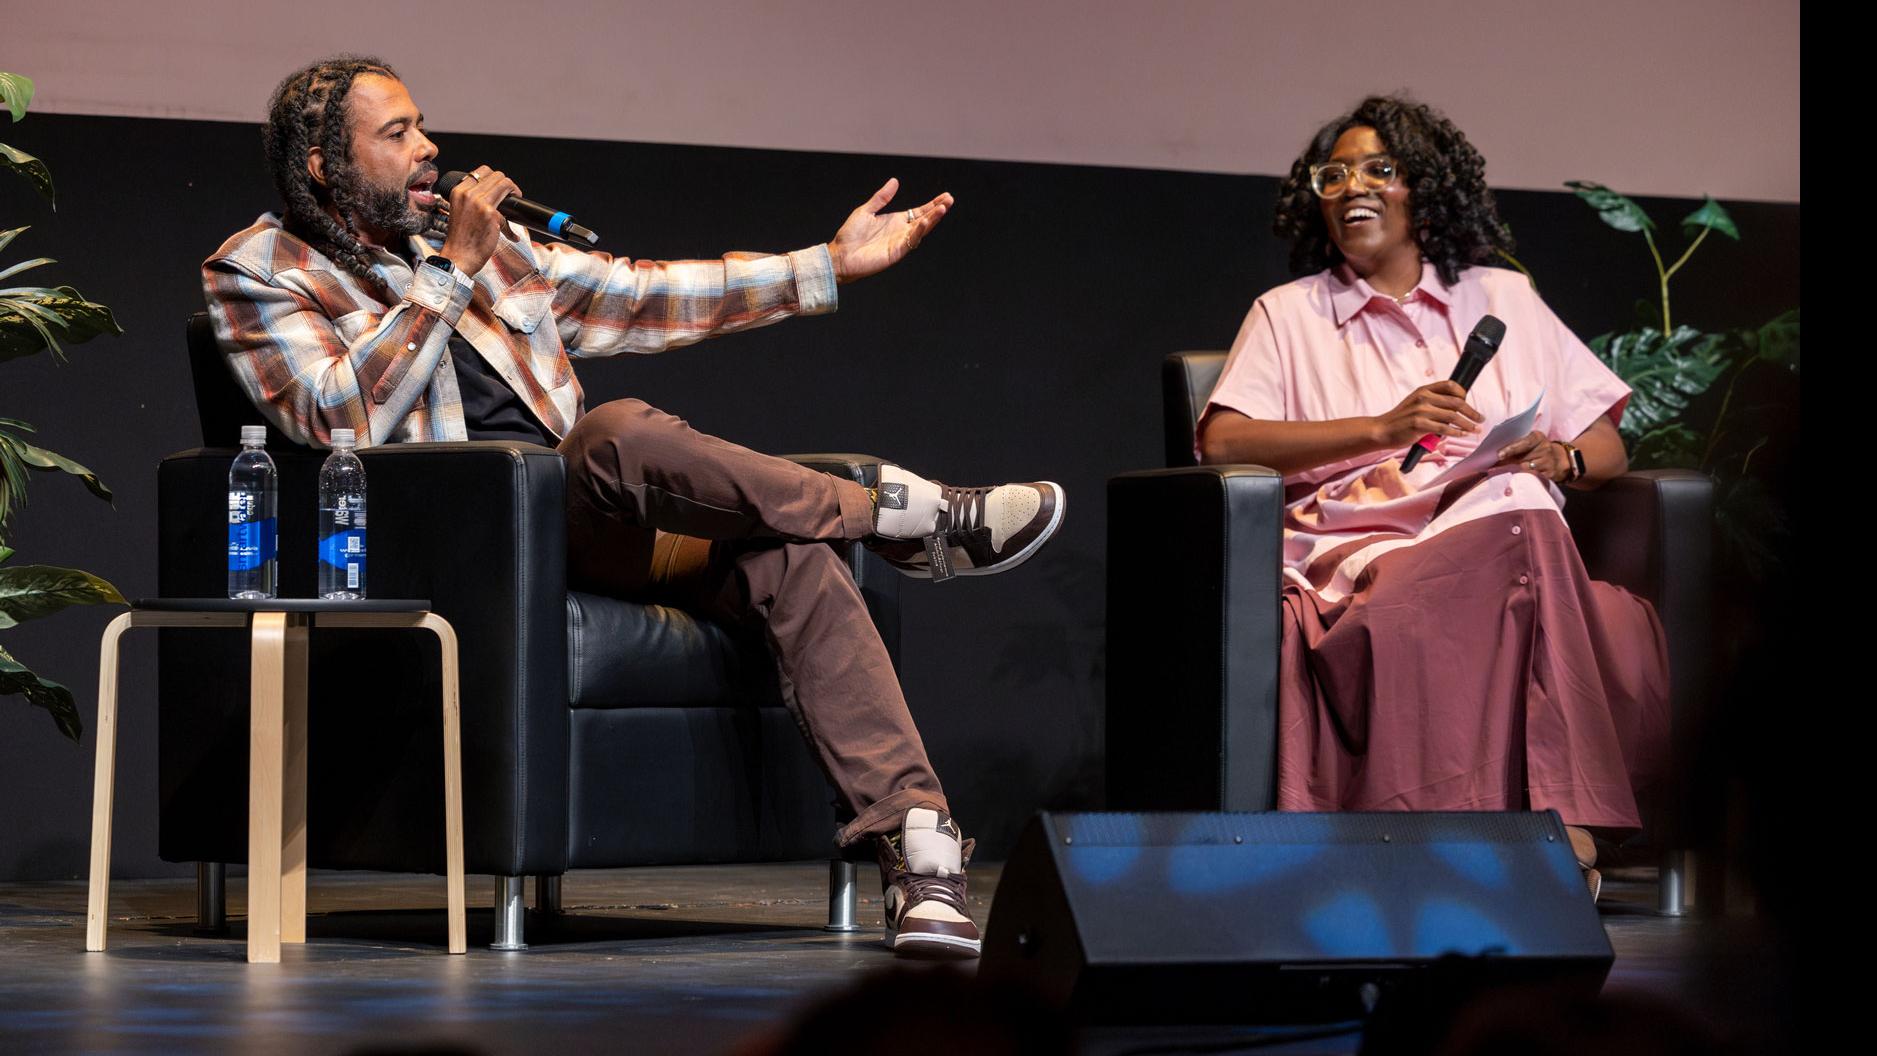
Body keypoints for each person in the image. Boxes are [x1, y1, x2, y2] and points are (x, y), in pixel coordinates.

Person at [202, 55, 1066, 958]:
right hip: (451, 547)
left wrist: (827, 266)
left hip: (576, 533)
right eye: (397, 134)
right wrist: (449, 271)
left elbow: (642, 293)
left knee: (786, 551)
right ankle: (897, 517)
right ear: (319, 165)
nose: (430, 151)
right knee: (612, 430)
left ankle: (919, 855)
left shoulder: (486, 251)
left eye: (423, 126)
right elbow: (340, 414)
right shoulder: (259, 271)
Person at [1196, 96, 1668, 897]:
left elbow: (1607, 442)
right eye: (1333, 174)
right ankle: (1565, 841)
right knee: (1519, 516)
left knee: (1517, 492)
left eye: (1380, 170)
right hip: (1366, 547)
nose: (1353, 187)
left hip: (1507, 536)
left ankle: (1538, 843)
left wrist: (1560, 457)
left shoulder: (1503, 299)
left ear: (1427, 189)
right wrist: (1382, 427)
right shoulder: (1289, 315)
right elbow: (1224, 442)